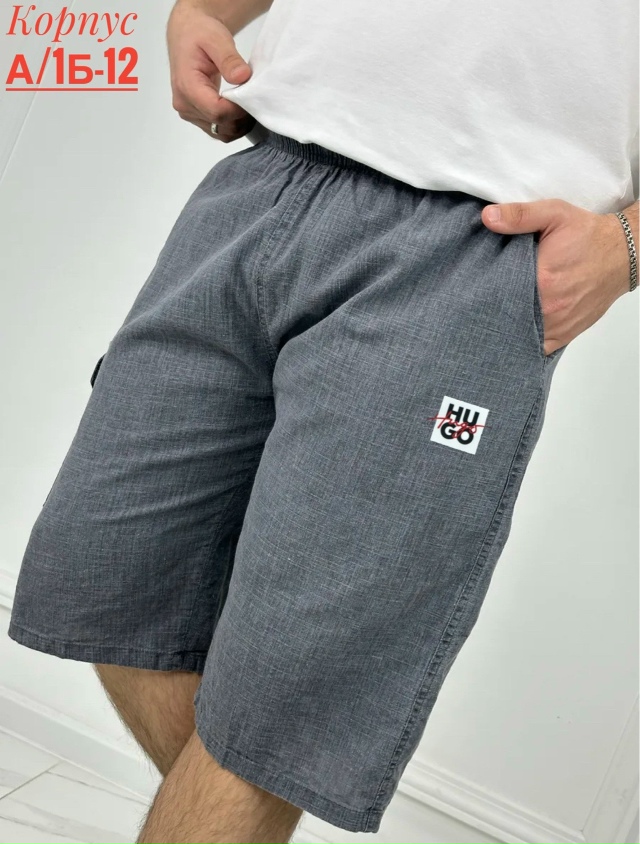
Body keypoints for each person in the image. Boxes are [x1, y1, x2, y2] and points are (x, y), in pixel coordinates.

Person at [8, 0, 638, 841]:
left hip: (470, 245)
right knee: (106, 580)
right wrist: (202, 10)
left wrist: (627, 244)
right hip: (262, 179)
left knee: (288, 690)